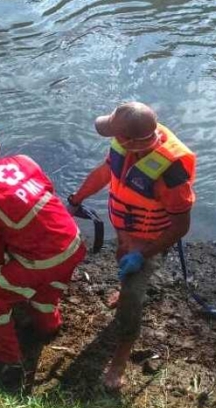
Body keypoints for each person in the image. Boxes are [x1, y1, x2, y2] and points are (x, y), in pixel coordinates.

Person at [67, 102, 196, 390]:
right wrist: (77, 200)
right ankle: (124, 282)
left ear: (129, 139)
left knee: (131, 302)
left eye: (114, 131)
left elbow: (180, 226)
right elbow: (105, 172)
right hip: (125, 229)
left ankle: (119, 361)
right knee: (121, 258)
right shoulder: (125, 145)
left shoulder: (170, 175)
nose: (111, 136)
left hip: (150, 240)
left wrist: (142, 254)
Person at [0, 124, 86, 387]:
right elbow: (48, 191)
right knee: (47, 289)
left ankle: (7, 363)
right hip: (73, 241)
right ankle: (48, 326)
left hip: (43, 260)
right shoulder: (24, 161)